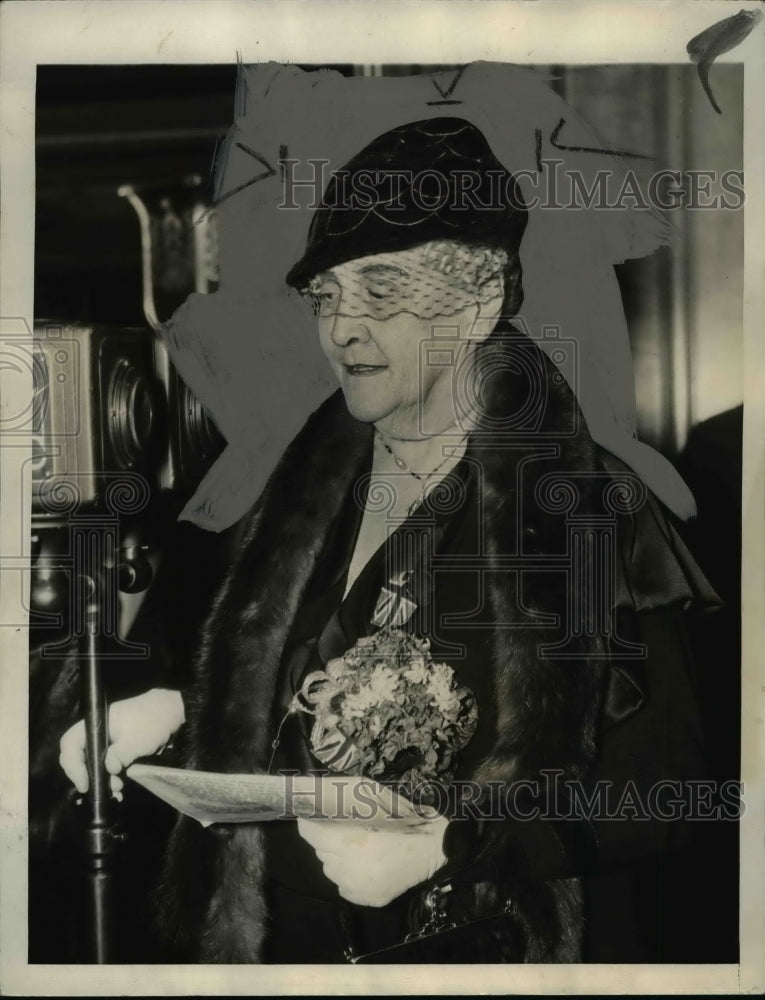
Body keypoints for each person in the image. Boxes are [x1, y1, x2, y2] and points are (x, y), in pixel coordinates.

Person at [60, 117, 720, 963]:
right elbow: (283, 685)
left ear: (480, 302)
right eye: (326, 296)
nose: (340, 329)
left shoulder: (591, 511)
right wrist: (173, 703)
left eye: (380, 290)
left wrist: (444, 848)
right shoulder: (284, 489)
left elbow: (671, 789)